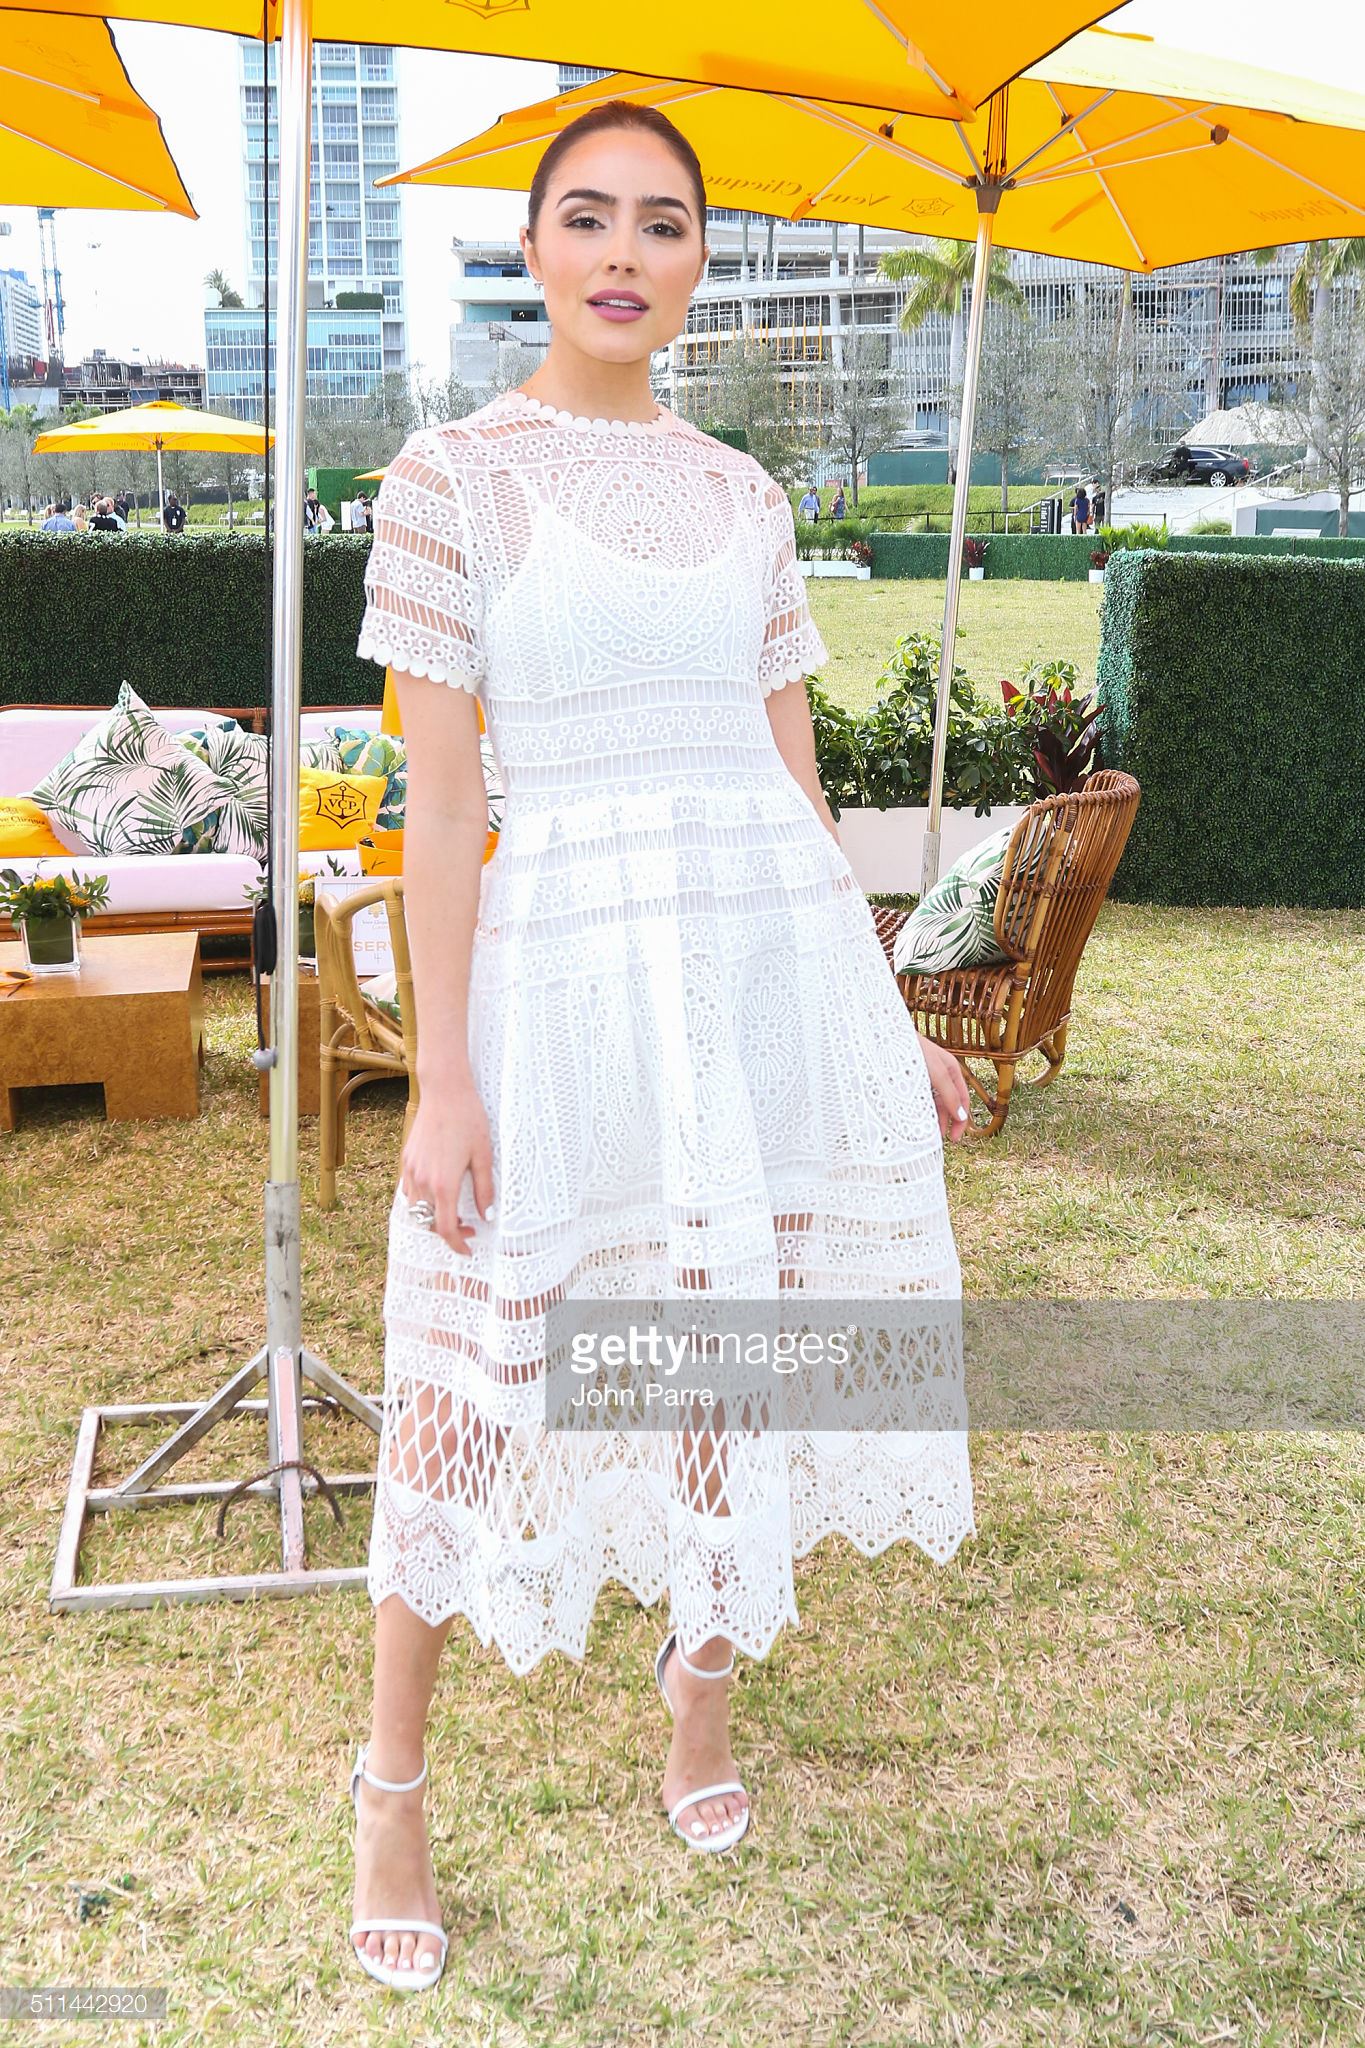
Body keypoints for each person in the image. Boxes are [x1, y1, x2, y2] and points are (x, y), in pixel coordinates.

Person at [350, 98, 974, 1995]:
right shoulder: (447, 481)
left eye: (665, 223)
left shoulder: (745, 497)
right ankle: (389, 1786)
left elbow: (795, 786)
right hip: (557, 981)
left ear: (700, 261)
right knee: (476, 1367)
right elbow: (441, 807)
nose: (625, 252)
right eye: (588, 217)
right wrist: (441, 1074)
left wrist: (881, 1015)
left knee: (734, 1340)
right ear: (533, 248)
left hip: (753, 971)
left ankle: (698, 1690)